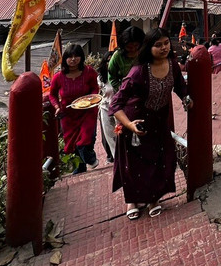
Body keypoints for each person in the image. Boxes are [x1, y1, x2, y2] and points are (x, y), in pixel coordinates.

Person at [110, 30, 193, 219]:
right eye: (158, 45)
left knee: (159, 159)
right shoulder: (138, 72)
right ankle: (132, 201)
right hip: (136, 121)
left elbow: (180, 85)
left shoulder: (172, 64)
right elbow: (116, 104)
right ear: (149, 48)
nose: (164, 48)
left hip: (158, 121)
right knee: (134, 165)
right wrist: (129, 125)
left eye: (166, 43)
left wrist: (186, 98)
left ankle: (154, 199)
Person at [48, 43, 100, 173]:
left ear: (81, 57)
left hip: (87, 110)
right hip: (68, 114)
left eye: (76, 56)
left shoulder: (89, 72)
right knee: (72, 143)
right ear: (65, 59)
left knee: (85, 139)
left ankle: (91, 159)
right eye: (70, 56)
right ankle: (80, 168)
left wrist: (91, 99)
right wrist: (57, 107)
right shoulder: (58, 77)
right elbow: (52, 94)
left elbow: (95, 87)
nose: (73, 59)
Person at [98, 26, 145, 163]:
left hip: (142, 93)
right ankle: (121, 159)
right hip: (123, 96)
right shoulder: (118, 56)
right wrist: (121, 90)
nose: (133, 49)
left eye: (136, 46)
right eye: (130, 47)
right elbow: (111, 76)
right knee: (120, 130)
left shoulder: (144, 53)